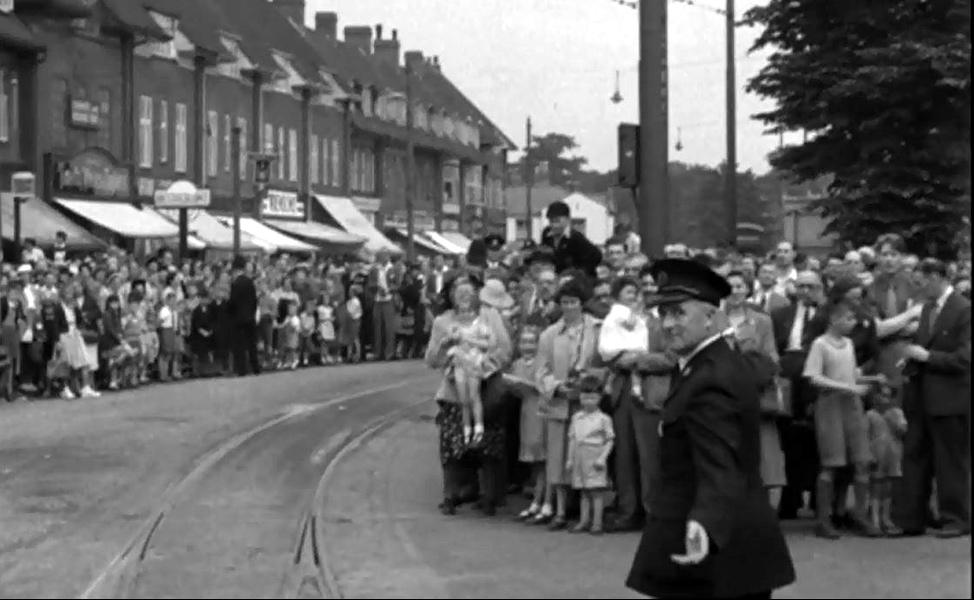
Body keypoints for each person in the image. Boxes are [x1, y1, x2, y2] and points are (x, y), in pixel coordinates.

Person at [626, 258, 795, 600]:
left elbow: (720, 459)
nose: (669, 324)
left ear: (711, 317)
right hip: (712, 543)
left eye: (679, 313)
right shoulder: (701, 365)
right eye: (664, 314)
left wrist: (705, 522)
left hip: (716, 550)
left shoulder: (711, 376)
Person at [895, 258, 971, 538]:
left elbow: (965, 358)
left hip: (951, 398)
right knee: (915, 456)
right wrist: (912, 360)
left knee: (950, 460)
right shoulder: (927, 308)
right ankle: (911, 518)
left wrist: (927, 357)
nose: (920, 287)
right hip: (921, 397)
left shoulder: (964, 310)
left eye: (923, 281)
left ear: (939, 277)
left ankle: (956, 518)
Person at [426, 274, 513, 516]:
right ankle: (451, 493)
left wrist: (482, 369)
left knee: (488, 443)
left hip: (486, 387)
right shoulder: (443, 322)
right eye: (458, 292)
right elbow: (431, 359)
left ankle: (489, 495)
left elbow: (505, 350)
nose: (463, 297)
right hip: (455, 389)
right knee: (452, 444)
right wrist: (445, 350)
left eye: (468, 292)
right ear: (451, 296)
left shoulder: (490, 316)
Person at [803, 299, 882, 539]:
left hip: (852, 406)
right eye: (848, 318)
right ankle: (823, 519)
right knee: (831, 463)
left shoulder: (848, 344)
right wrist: (848, 388)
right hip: (829, 406)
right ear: (833, 320)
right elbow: (812, 376)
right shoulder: (820, 344)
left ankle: (859, 514)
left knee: (861, 460)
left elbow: (850, 376)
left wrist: (869, 379)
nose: (853, 323)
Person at [535, 277, 601, 530]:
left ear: (582, 304)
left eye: (573, 302)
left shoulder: (597, 328)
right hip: (560, 403)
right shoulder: (549, 334)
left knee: (587, 454)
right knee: (558, 457)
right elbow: (541, 371)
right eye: (564, 302)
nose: (569, 307)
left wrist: (589, 383)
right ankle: (560, 510)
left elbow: (604, 363)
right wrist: (557, 386)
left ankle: (588, 512)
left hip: (588, 402)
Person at [565, 372, 615, 535]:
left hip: (594, 455)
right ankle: (583, 520)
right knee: (583, 491)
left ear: (600, 398)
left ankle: (597, 523)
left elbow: (610, 440)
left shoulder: (603, 419)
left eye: (592, 398)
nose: (588, 401)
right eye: (585, 397)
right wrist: (569, 459)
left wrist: (602, 458)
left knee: (596, 491)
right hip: (579, 456)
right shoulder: (576, 417)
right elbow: (572, 439)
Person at [865, 383, 907, 535]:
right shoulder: (870, 415)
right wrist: (868, 455)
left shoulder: (896, 413)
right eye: (882, 395)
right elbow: (865, 436)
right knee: (876, 488)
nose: (885, 399)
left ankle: (887, 518)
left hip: (893, 455)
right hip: (877, 455)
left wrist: (896, 421)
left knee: (889, 488)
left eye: (888, 396)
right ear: (875, 396)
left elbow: (903, 430)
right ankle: (875, 519)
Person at [540, 200, 603, 277]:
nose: (554, 225)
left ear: (567, 219)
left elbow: (597, 256)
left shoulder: (576, 237)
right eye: (551, 221)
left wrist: (580, 273)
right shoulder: (546, 233)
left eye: (557, 221)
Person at [227, 255, 260, 376]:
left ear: (235, 269)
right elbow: (254, 301)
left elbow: (233, 302)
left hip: (238, 319)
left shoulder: (236, 284)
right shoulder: (249, 282)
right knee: (252, 344)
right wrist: (252, 313)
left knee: (240, 345)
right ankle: (255, 367)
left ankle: (242, 369)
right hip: (250, 317)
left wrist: (230, 311)